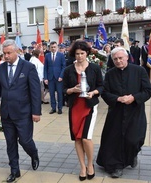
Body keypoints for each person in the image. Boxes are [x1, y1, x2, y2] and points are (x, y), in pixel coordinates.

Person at [96, 47, 151, 178]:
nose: (118, 61)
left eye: (120, 58)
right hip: (116, 112)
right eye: (115, 59)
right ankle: (117, 166)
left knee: (134, 139)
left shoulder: (139, 71)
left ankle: (132, 154)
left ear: (127, 57)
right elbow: (104, 92)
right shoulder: (110, 74)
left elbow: (148, 90)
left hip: (135, 111)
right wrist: (117, 99)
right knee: (114, 141)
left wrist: (133, 98)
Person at [0, 39, 41, 183]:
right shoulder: (0, 68)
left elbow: (35, 91)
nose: (6, 56)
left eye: (8, 53)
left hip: (23, 112)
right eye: (4, 53)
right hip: (6, 113)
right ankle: (14, 170)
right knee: (10, 143)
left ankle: (34, 153)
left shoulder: (28, 67)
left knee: (25, 140)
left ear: (17, 51)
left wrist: (36, 112)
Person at [63, 40, 103, 181]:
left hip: (89, 105)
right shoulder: (68, 70)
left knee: (86, 138)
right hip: (75, 106)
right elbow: (64, 89)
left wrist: (94, 92)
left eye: (82, 53)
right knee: (78, 138)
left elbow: (101, 86)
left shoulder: (94, 68)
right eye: (77, 54)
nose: (79, 56)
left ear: (87, 53)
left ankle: (90, 164)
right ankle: (82, 166)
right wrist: (72, 90)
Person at [44, 41, 66, 114]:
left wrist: (61, 76)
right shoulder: (47, 55)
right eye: (52, 47)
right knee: (52, 94)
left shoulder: (61, 55)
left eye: (54, 47)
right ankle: (53, 108)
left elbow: (63, 67)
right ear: (50, 48)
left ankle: (60, 108)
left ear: (57, 47)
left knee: (59, 93)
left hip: (59, 77)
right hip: (50, 78)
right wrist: (45, 78)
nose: (53, 48)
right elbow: (45, 67)